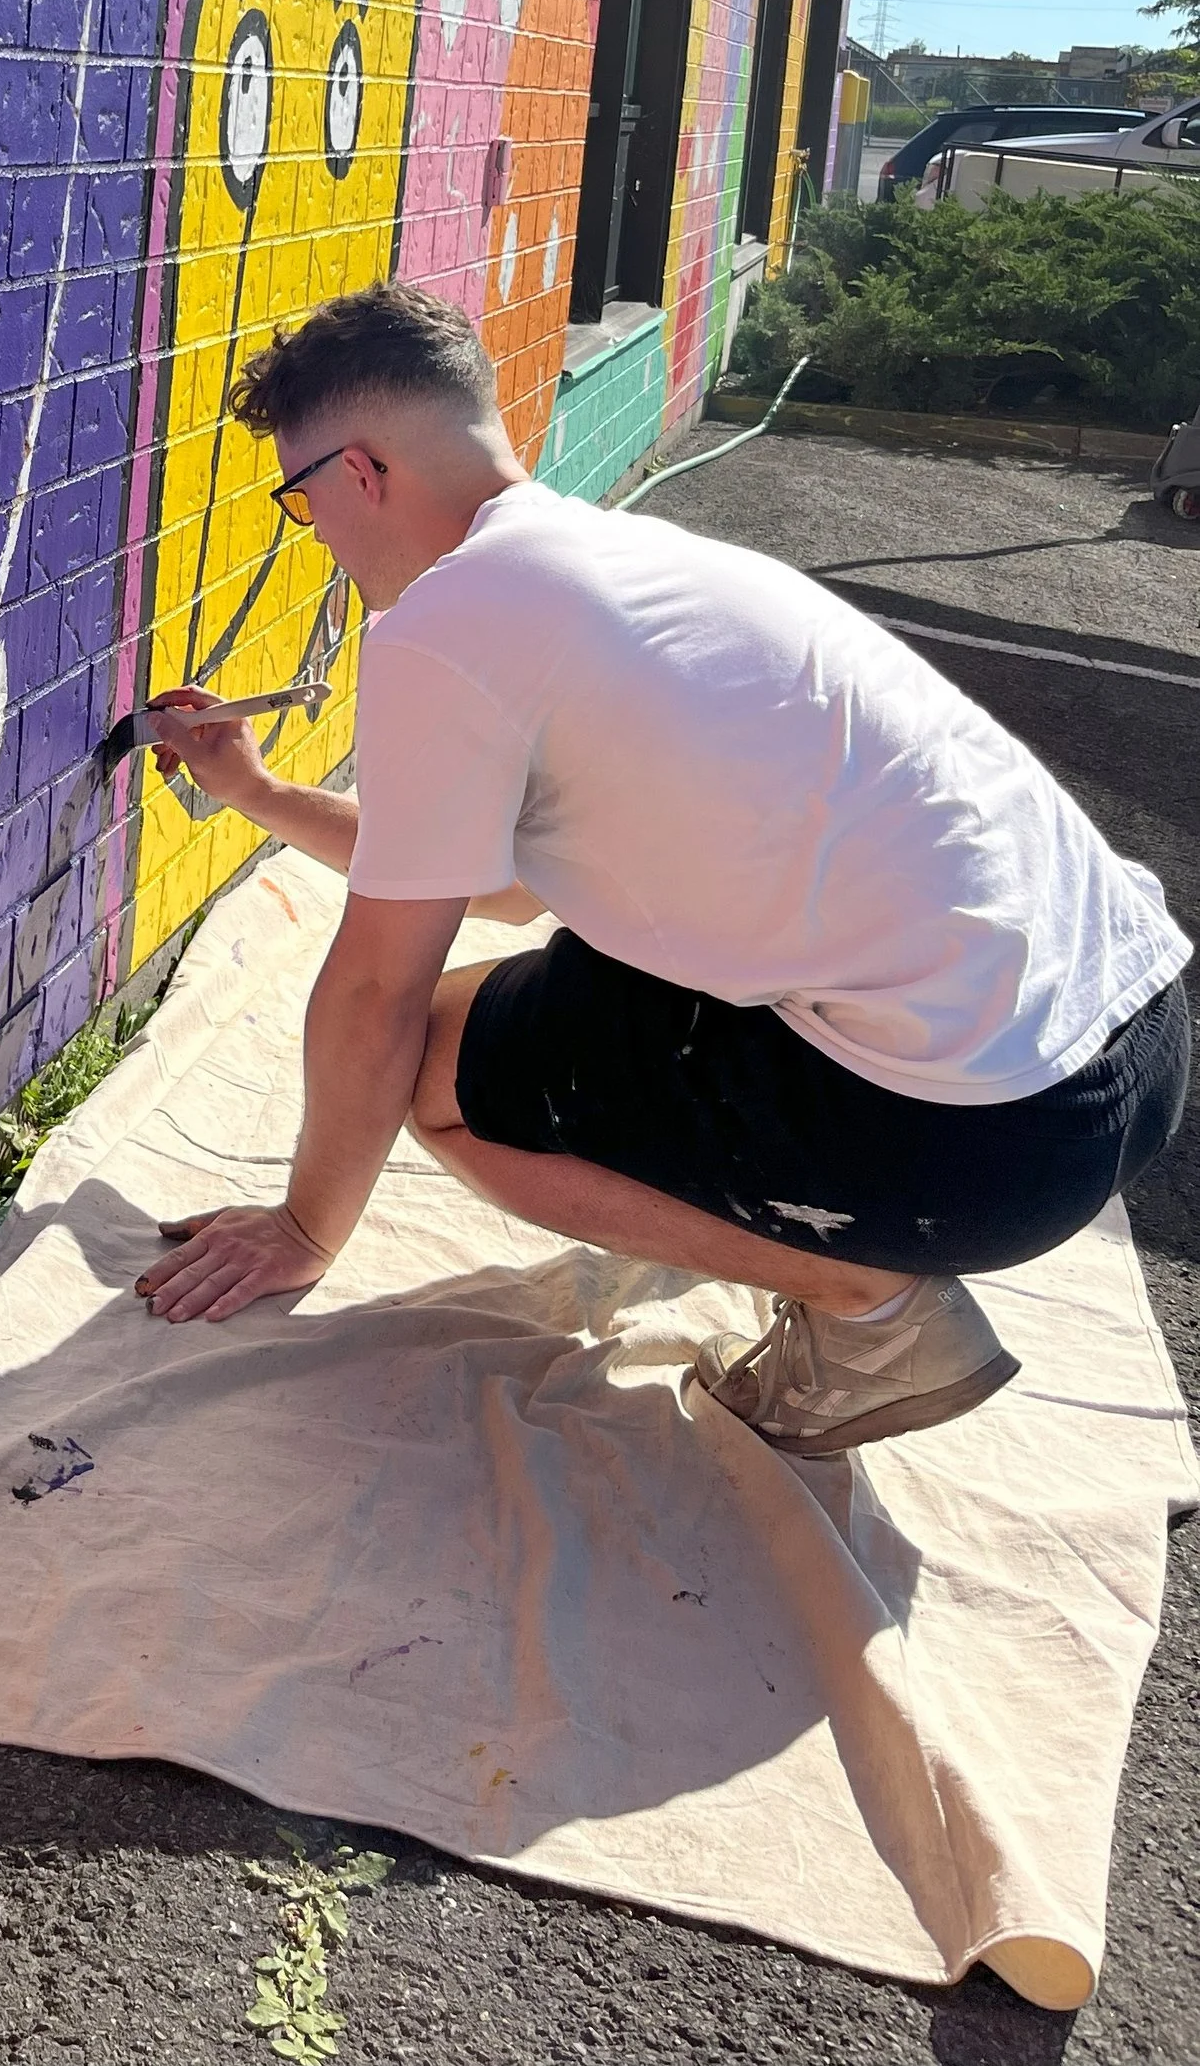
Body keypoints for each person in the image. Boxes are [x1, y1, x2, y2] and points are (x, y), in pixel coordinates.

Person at [136, 281, 1191, 1454]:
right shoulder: (613, 556)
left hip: (991, 1140)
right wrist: (265, 796)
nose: (313, 529)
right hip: (1131, 1045)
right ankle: (846, 1247)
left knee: (438, 1068)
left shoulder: (443, 623)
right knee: (553, 975)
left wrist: (303, 1227)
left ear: (361, 473)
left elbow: (378, 992)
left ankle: (875, 1309)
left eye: (299, 495)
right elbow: (501, 887)